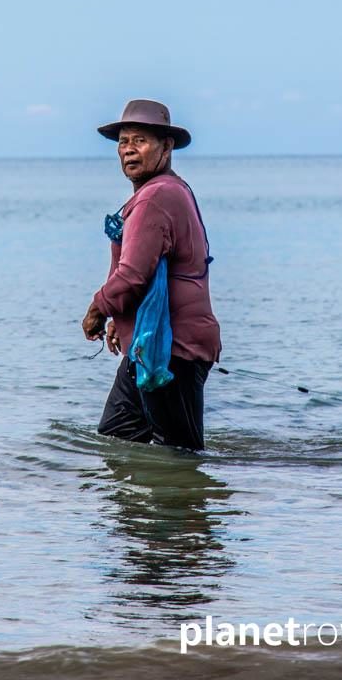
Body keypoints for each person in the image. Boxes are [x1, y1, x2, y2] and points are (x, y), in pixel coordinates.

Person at [82, 99, 221, 451]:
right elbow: (149, 271)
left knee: (179, 455)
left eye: (139, 141)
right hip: (153, 344)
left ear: (166, 146)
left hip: (172, 350)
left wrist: (98, 310)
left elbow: (133, 275)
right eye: (123, 142)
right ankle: (135, 508)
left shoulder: (155, 198)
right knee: (118, 438)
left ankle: (186, 505)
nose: (128, 150)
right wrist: (122, 318)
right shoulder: (170, 190)